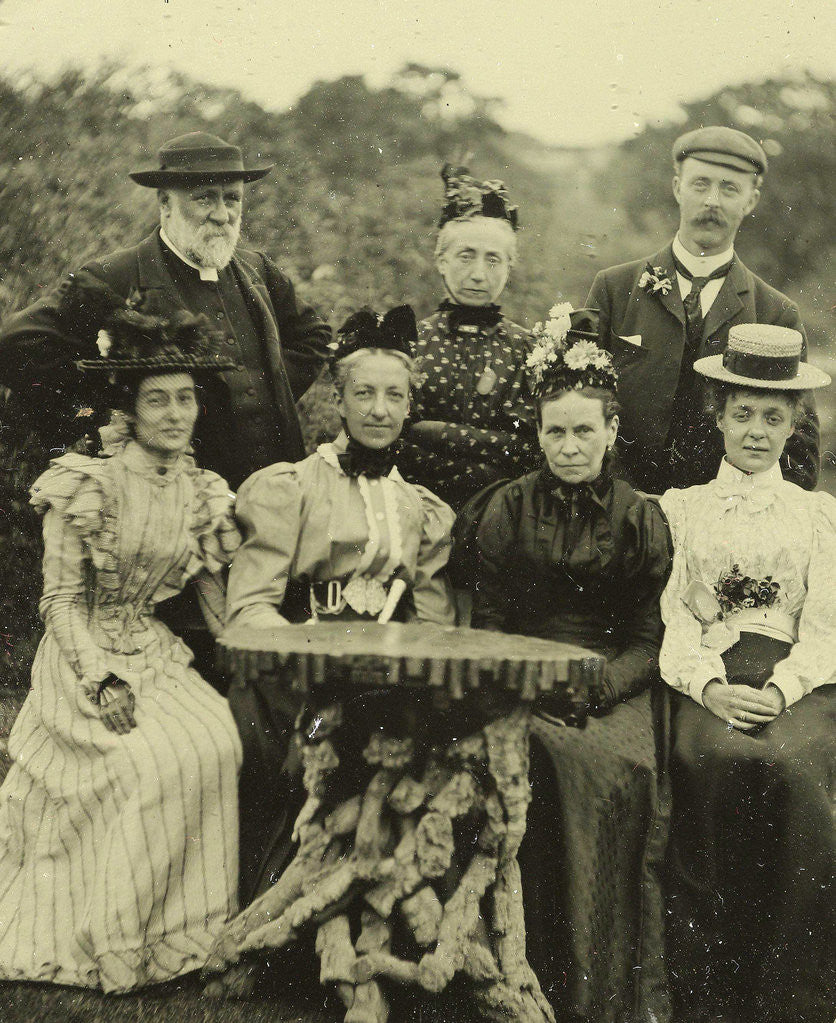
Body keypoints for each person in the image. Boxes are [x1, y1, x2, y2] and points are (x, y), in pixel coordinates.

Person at [0, 283, 243, 992]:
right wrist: (99, 678)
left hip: (153, 647)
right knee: (147, 762)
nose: (175, 413)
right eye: (158, 399)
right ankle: (115, 940)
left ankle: (184, 941)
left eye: (186, 398)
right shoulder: (87, 484)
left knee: (219, 741)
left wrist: (268, 653)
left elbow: (218, 603)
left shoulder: (200, 489)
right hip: (84, 659)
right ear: (130, 410)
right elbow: (59, 601)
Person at [465, 321, 672, 1023]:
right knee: (521, 758)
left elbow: (648, 638)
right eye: (556, 432)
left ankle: (593, 984)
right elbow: (487, 622)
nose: (570, 447)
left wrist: (602, 685)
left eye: (585, 431)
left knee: (611, 770)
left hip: (612, 685)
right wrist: (526, 682)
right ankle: (512, 971)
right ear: (539, 433)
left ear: (612, 432)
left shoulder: (640, 516)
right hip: (520, 676)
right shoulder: (510, 506)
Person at [224, 305, 456, 900]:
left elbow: (433, 617)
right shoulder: (294, 487)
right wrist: (306, 654)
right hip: (301, 670)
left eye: (394, 396)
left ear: (409, 405)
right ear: (340, 399)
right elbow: (251, 605)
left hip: (385, 669)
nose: (380, 410)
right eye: (365, 394)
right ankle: (281, 901)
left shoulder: (420, 507)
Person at [658, 323, 834, 1023]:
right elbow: (673, 617)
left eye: (772, 416)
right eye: (742, 413)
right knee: (711, 761)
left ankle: (791, 999)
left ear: (793, 424)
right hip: (711, 678)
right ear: (720, 415)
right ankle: (707, 999)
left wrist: (782, 688)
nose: (756, 431)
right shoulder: (683, 509)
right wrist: (708, 685)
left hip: (794, 681)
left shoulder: (818, 516)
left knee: (802, 774)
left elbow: (825, 627)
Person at [0, 130, 331, 490]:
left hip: (278, 487)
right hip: (177, 494)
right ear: (165, 203)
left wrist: (269, 391)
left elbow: (313, 337)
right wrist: (109, 407)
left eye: (232, 199)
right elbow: (16, 344)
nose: (222, 214)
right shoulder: (114, 276)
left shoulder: (259, 270)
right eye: (205, 198)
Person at [586, 125, 819, 494]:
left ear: (751, 200)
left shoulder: (776, 312)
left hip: (720, 522)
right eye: (700, 184)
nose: (712, 200)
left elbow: (797, 449)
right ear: (678, 187)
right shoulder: (614, 289)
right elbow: (575, 409)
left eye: (729, 188)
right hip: (616, 510)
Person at [397, 165, 541, 512]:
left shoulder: (531, 350)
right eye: (466, 256)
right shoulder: (409, 341)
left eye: (493, 260)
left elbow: (532, 449)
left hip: (506, 516)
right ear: (441, 260)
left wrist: (430, 431)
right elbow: (397, 441)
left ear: (510, 266)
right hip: (415, 509)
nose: (478, 274)